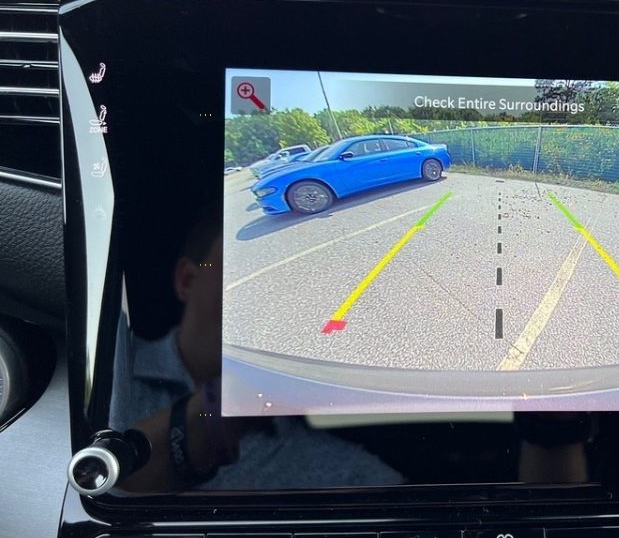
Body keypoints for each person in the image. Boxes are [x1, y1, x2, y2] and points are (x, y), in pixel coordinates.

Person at [111, 209, 403, 492]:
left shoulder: (358, 480)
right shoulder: (100, 385)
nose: (270, 297)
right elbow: (86, 483)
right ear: (186, 279)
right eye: (245, 270)